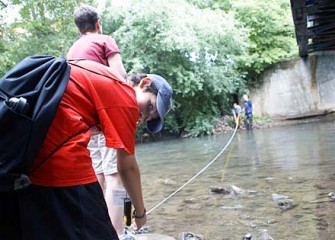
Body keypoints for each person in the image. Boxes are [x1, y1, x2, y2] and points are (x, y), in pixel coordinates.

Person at [0, 60, 173, 240]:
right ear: (144, 83)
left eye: (148, 117)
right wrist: (140, 213)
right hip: (58, 151)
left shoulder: (106, 77)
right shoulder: (126, 97)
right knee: (98, 230)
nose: (142, 116)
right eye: (149, 106)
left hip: (30, 151)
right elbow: (127, 168)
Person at [67, 4, 127, 235]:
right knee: (115, 176)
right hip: (105, 114)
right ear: (98, 24)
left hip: (82, 122)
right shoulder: (105, 40)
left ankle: (97, 229)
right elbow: (119, 75)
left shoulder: (72, 50)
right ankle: (120, 233)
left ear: (79, 27)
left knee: (98, 175)